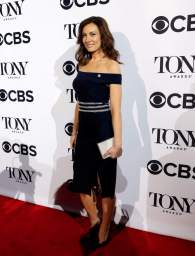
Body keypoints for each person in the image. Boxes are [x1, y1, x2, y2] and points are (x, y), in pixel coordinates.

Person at [70, 16, 123, 249]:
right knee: (82, 184)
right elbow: (79, 103)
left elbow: (116, 110)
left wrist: (118, 142)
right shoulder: (82, 64)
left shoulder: (112, 65)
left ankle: (103, 230)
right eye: (84, 35)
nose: (88, 39)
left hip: (104, 132)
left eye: (92, 34)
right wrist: (75, 130)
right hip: (84, 134)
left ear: (102, 35)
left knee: (106, 185)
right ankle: (95, 221)